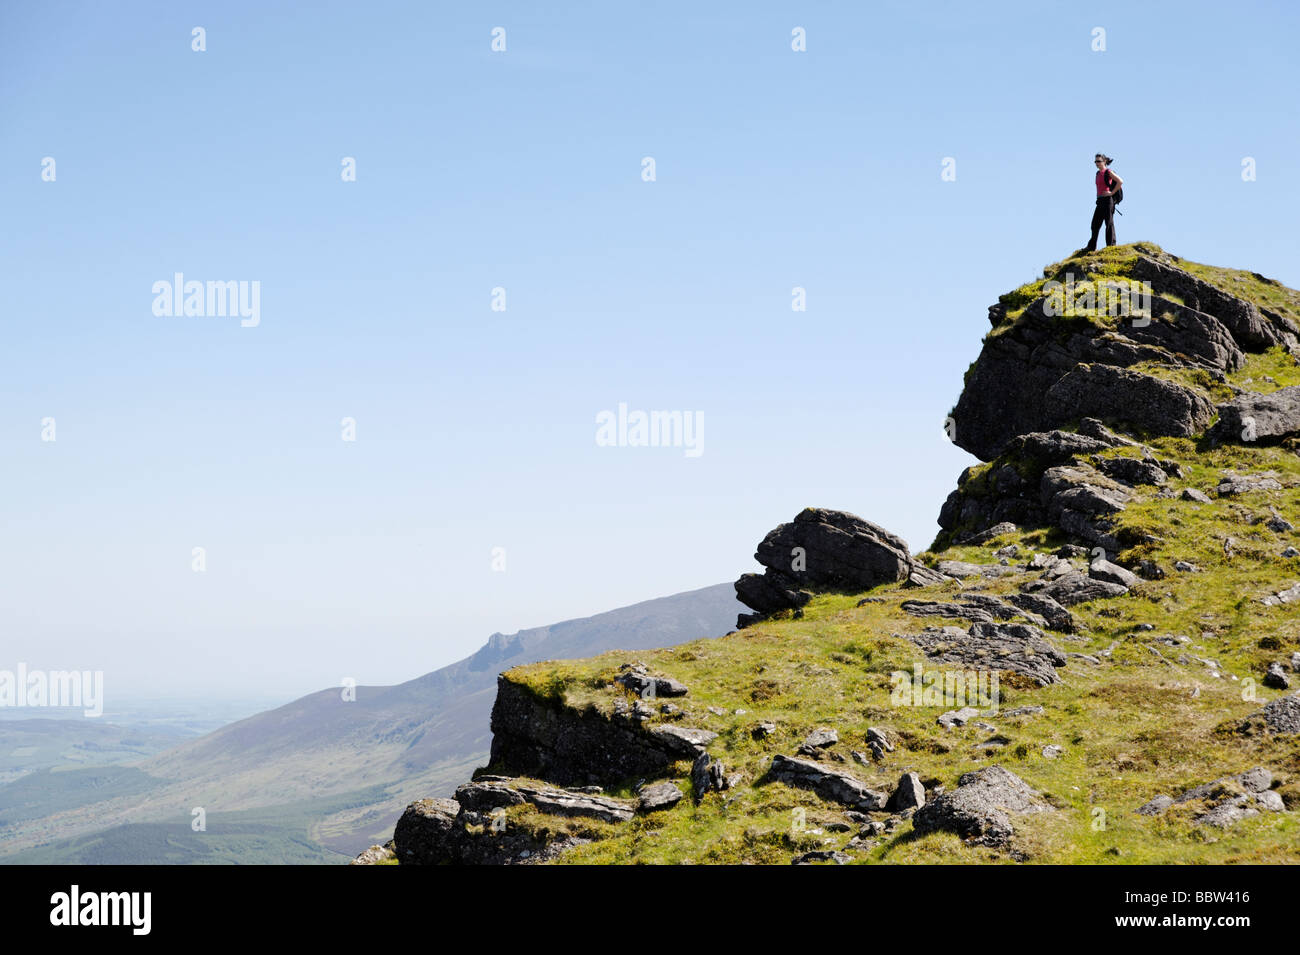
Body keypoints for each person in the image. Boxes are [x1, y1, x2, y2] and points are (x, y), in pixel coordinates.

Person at [1083, 153, 1122, 251]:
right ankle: (1091, 247)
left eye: (1099, 161)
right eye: (1095, 161)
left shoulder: (1108, 172)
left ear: (1104, 162)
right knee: (1095, 224)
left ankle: (1111, 246)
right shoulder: (1097, 173)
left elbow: (1120, 181)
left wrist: (1111, 193)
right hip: (1100, 201)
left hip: (1108, 201)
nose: (1097, 163)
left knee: (1108, 224)